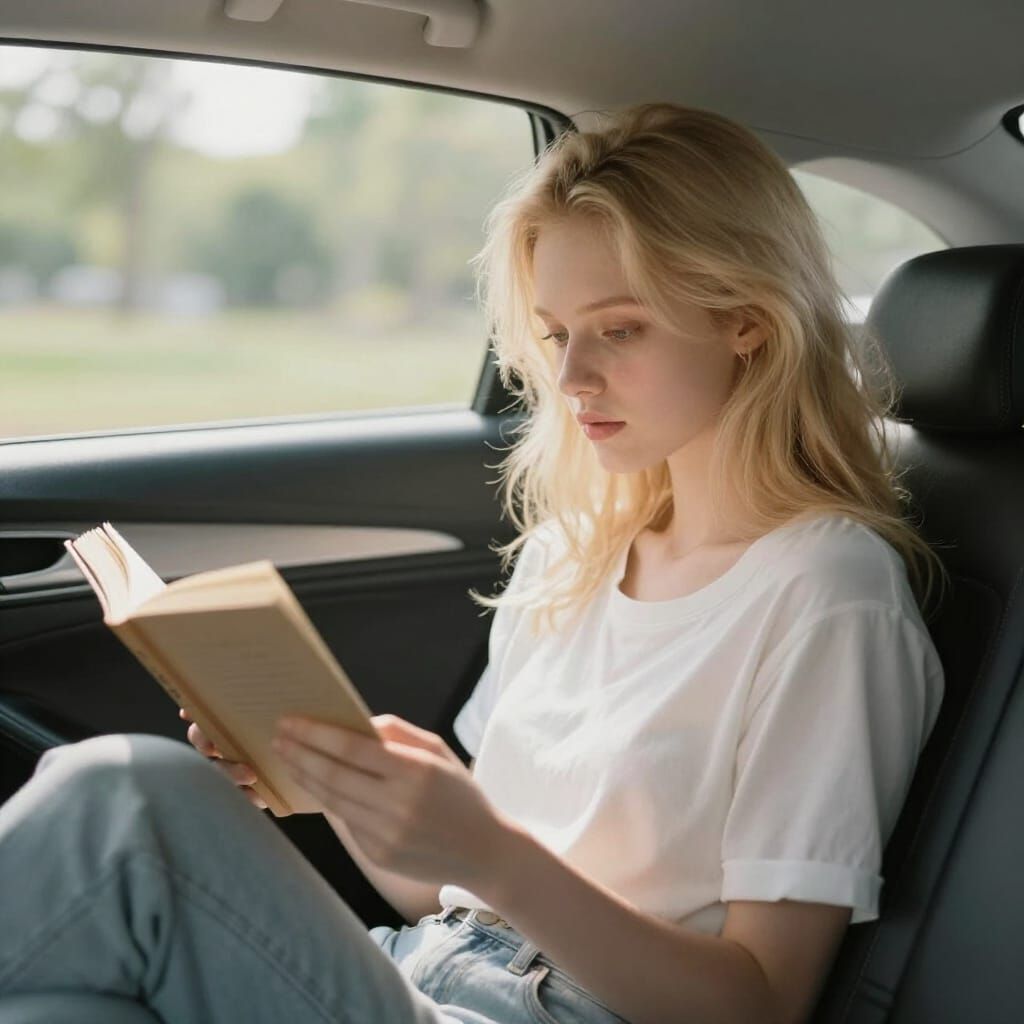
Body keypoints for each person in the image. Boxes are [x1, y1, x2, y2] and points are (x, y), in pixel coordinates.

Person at [0, 102, 948, 1024]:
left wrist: (496, 856)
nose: (573, 379)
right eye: (555, 334)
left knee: (125, 793)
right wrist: (348, 794)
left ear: (747, 320)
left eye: (621, 329)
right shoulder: (569, 554)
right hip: (422, 965)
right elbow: (440, 897)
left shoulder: (828, 593)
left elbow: (760, 1004)